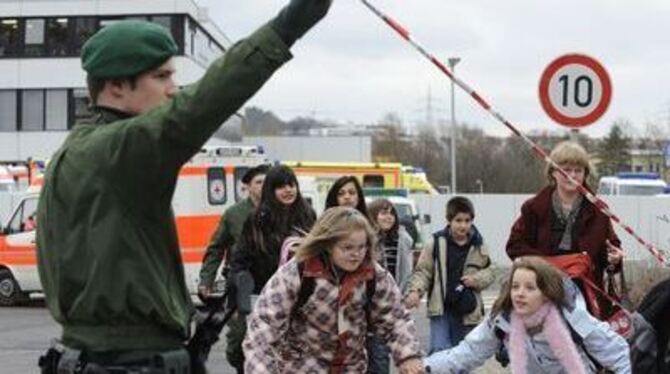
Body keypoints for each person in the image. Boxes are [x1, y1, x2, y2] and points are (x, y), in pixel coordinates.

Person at [35, 1, 332, 372]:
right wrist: (294, 21)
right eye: (161, 77)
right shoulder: (119, 150)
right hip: (132, 360)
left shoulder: (74, 154)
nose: (173, 90)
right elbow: (205, 100)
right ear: (114, 86)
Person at [243, 206, 425, 373]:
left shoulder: (374, 276)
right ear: (328, 244)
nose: (356, 254)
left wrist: (408, 356)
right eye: (347, 248)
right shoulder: (298, 272)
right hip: (302, 367)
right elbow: (265, 323)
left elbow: (396, 317)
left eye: (362, 247)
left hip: (350, 367)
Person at [424, 257, 631, 374]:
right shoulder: (502, 321)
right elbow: (467, 353)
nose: (520, 294)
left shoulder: (571, 317)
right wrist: (424, 367)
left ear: (546, 293)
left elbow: (619, 353)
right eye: (515, 286)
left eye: (530, 288)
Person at [506, 141, 624, 317]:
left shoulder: (600, 210)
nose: (572, 175)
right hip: (542, 293)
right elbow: (514, 246)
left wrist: (615, 259)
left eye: (578, 170)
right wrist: (547, 266)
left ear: (585, 174)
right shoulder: (533, 208)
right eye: (566, 169)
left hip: (586, 302)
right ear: (553, 172)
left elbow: (610, 253)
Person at [228, 164, 316, 369]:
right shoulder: (257, 219)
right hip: (264, 295)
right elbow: (240, 259)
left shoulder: (308, 215)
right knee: (259, 350)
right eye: (281, 186)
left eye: (291, 184)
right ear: (270, 190)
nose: (288, 190)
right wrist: (238, 292)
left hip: (301, 297)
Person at [197, 163, 268, 372]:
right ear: (247, 186)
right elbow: (216, 248)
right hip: (241, 285)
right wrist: (206, 280)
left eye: (267, 182)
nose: (263, 186)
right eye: (259, 182)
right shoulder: (234, 214)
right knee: (238, 339)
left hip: (269, 285)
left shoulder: (278, 211)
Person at [404, 196, 494, 353]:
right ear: (449, 220)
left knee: (463, 355)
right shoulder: (435, 242)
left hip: (467, 310)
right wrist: (415, 291)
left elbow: (490, 272)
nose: (463, 225)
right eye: (458, 220)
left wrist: (477, 279)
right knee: (439, 352)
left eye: (467, 220)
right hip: (441, 309)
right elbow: (423, 271)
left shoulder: (479, 244)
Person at [365, 198, 415, 373]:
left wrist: (407, 294)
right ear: (372, 216)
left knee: (380, 358)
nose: (389, 217)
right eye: (383, 213)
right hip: (366, 307)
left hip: (389, 306)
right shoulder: (365, 240)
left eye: (392, 213)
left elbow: (407, 273)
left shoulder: (403, 240)